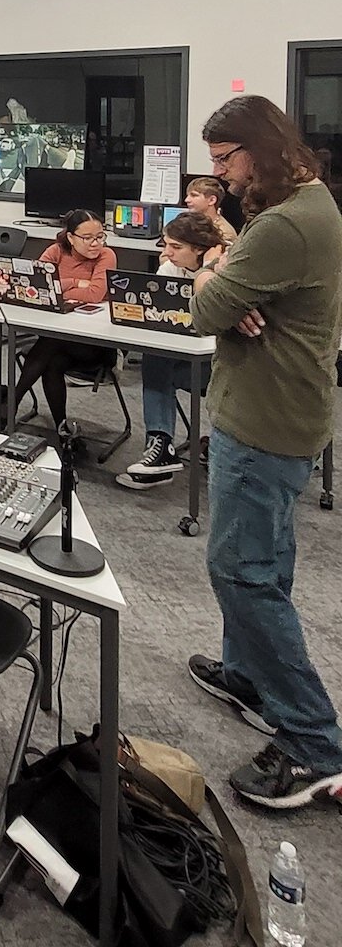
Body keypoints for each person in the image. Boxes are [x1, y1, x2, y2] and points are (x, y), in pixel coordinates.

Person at [185, 95, 342, 809]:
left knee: (241, 571)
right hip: (283, 411)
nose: (219, 177)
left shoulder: (283, 224)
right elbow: (230, 295)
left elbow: (204, 310)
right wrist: (227, 279)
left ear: (262, 149)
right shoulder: (310, 203)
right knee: (267, 560)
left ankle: (315, 743)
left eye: (226, 160)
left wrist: (211, 279)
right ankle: (248, 673)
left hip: (265, 420)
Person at [115, 211, 220, 491]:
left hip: (225, 367)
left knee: (158, 363)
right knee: (156, 357)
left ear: (200, 249)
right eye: (165, 244)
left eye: (176, 247)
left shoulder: (223, 270)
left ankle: (165, 447)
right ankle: (160, 443)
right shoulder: (170, 269)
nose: (166, 253)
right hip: (186, 360)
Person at [13, 210, 117, 427]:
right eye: (87, 238)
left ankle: (11, 402)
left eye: (100, 236)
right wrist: (76, 283)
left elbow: (94, 294)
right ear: (71, 237)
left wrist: (60, 285)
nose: (95, 243)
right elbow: (38, 284)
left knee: (49, 343)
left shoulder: (107, 256)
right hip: (61, 341)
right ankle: (61, 426)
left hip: (95, 343)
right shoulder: (56, 251)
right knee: (51, 360)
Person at [183, 175, 238, 245]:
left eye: (194, 195)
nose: (186, 200)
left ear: (212, 200)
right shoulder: (192, 223)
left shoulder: (225, 233)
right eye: (187, 196)